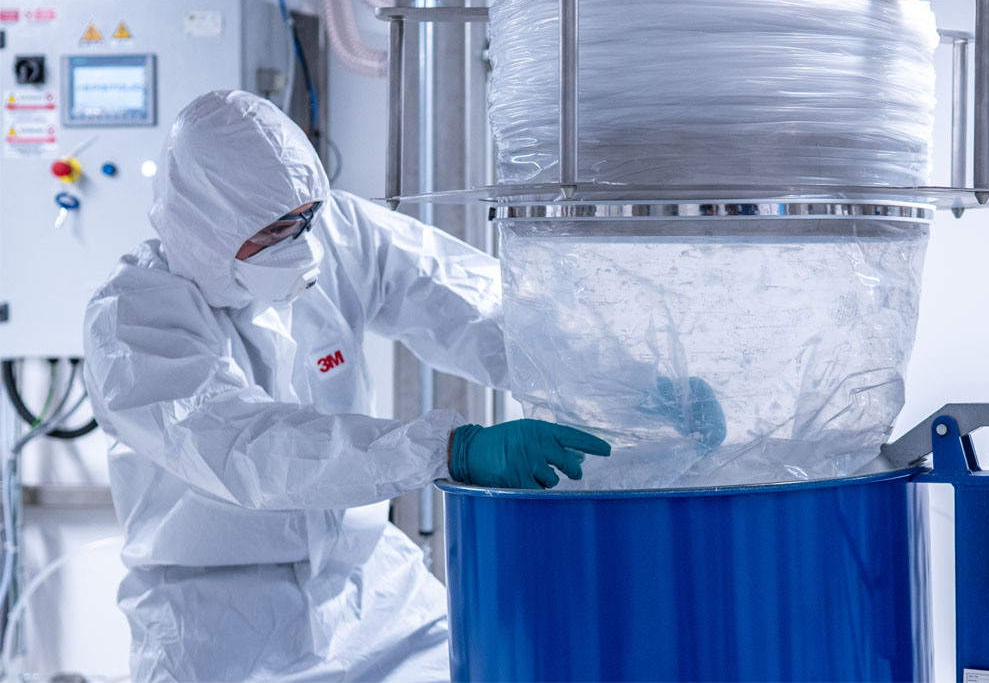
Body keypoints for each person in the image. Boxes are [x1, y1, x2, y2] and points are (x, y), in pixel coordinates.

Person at [82, 90, 610, 682]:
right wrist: (449, 450)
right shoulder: (133, 322)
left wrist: (608, 375)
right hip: (216, 628)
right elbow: (249, 448)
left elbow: (468, 302)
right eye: (278, 229)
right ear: (208, 226)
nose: (304, 245)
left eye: (306, 218)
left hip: (371, 596)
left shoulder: (335, 233)